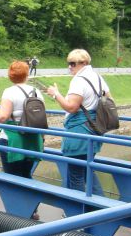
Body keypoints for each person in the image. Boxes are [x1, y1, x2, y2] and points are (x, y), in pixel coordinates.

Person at [46, 49, 109, 194]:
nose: (70, 67)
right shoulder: (98, 77)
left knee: (76, 175)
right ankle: (100, 207)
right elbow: (109, 100)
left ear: (84, 63)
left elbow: (72, 107)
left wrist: (56, 94)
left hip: (79, 131)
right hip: (94, 129)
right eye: (69, 63)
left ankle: (78, 211)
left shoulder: (79, 80)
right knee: (88, 170)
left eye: (73, 64)